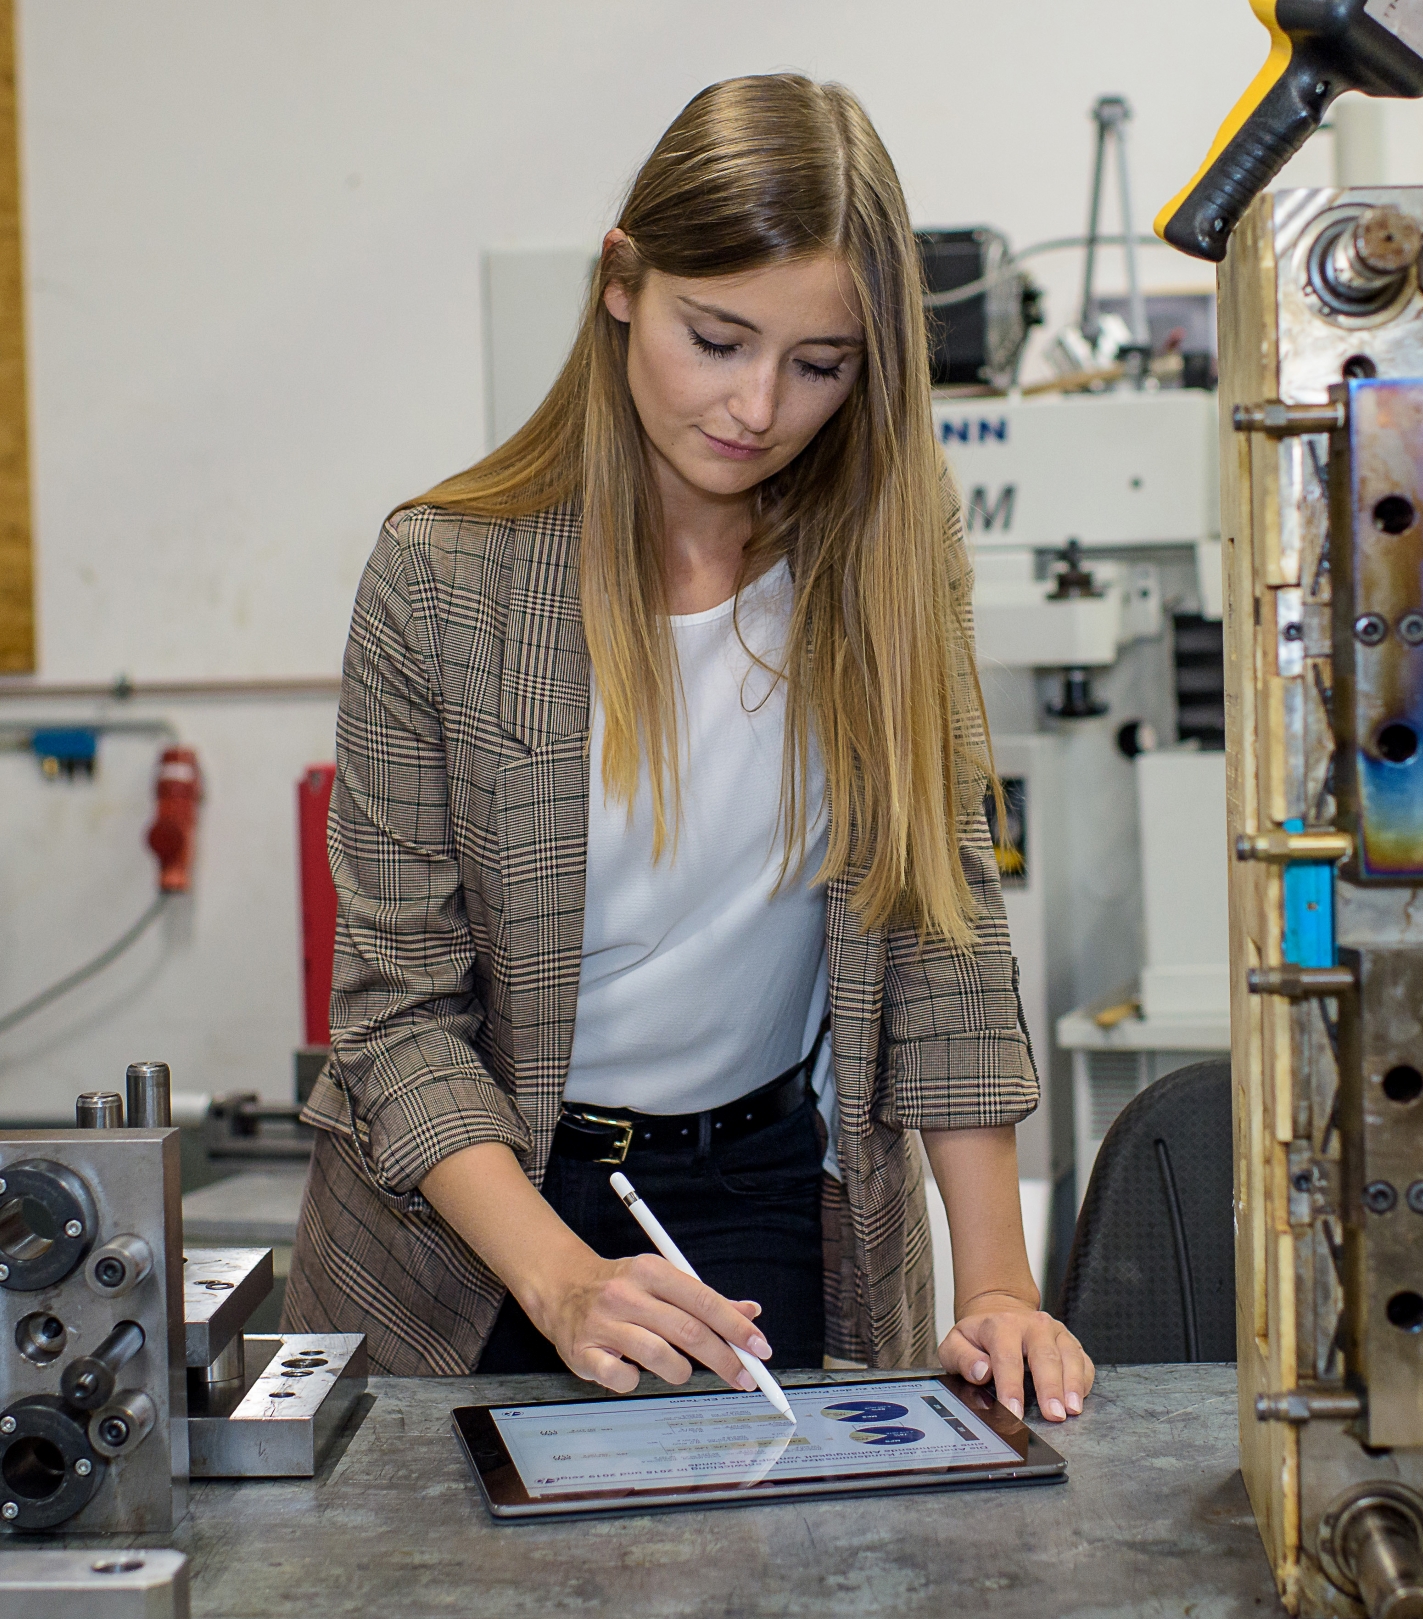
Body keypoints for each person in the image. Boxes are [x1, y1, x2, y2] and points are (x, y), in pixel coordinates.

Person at [282, 74, 1093, 1425]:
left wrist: (997, 1285)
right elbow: (398, 1017)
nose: (758, 406)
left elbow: (942, 931)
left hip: (764, 1197)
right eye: (716, 339)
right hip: (470, 1229)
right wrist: (559, 1280)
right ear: (621, 284)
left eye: (820, 365)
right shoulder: (447, 578)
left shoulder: (887, 562)